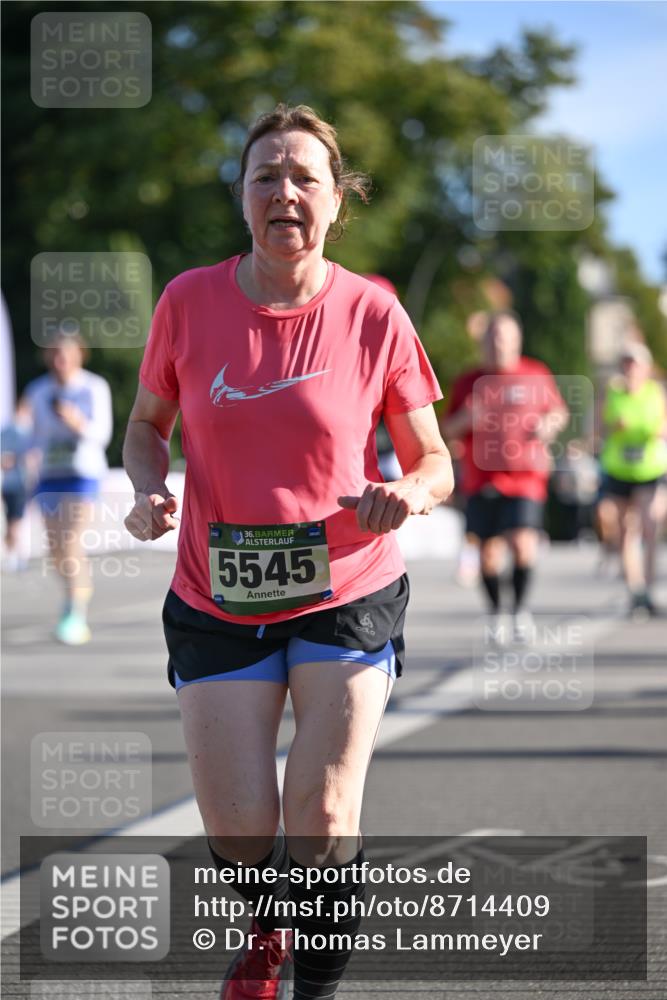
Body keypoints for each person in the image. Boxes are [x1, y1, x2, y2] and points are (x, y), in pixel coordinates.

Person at [122, 103, 453, 1000]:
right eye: (265, 174)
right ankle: (270, 916)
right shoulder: (187, 301)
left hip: (347, 586)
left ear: (336, 200)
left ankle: (311, 990)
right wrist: (147, 487)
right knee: (237, 828)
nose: (284, 191)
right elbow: (146, 427)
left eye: (305, 176)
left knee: (322, 813)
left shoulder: (372, 313)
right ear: (241, 196)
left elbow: (434, 460)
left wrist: (407, 493)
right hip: (215, 595)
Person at [441, 311, 568, 642]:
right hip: (482, 478)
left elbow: (558, 412)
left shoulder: (535, 374)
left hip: (525, 476)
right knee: (488, 554)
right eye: (493, 337)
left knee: (524, 543)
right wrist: (466, 420)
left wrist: (548, 425)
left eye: (506, 337)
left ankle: (520, 612)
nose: (499, 344)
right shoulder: (469, 381)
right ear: (483, 342)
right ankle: (497, 612)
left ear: (517, 340)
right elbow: (445, 429)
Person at [20, 328, 113, 644]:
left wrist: (77, 423)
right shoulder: (37, 390)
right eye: (54, 354)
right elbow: (32, 438)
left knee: (71, 541)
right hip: (49, 475)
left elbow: (102, 434)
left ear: (78, 355)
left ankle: (76, 612)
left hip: (82, 475)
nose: (60, 360)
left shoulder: (93, 387)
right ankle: (74, 593)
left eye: (66, 354)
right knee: (55, 548)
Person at [598, 342, 667, 617]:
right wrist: (614, 427)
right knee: (626, 531)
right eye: (626, 363)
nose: (630, 369)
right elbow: (600, 426)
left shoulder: (655, 393)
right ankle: (634, 590)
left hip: (649, 469)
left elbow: (663, 425)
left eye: (635, 363)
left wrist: (652, 430)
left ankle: (648, 588)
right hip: (619, 470)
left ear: (646, 367)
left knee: (650, 526)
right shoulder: (612, 394)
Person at [1, 409, 33, 571]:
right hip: (16, 485)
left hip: (12, 485)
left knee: (14, 522)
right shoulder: (21, 433)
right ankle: (15, 556)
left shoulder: (9, 433)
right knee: (15, 522)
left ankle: (15, 556)